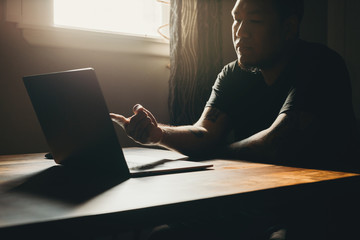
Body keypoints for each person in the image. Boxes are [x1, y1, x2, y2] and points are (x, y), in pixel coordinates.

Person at [110, 0, 358, 239]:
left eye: (255, 21)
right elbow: (204, 133)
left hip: (315, 204)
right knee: (162, 235)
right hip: (252, 204)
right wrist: (158, 135)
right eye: (236, 19)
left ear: (289, 27)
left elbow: (275, 143)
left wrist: (210, 155)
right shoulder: (233, 74)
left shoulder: (320, 64)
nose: (241, 32)